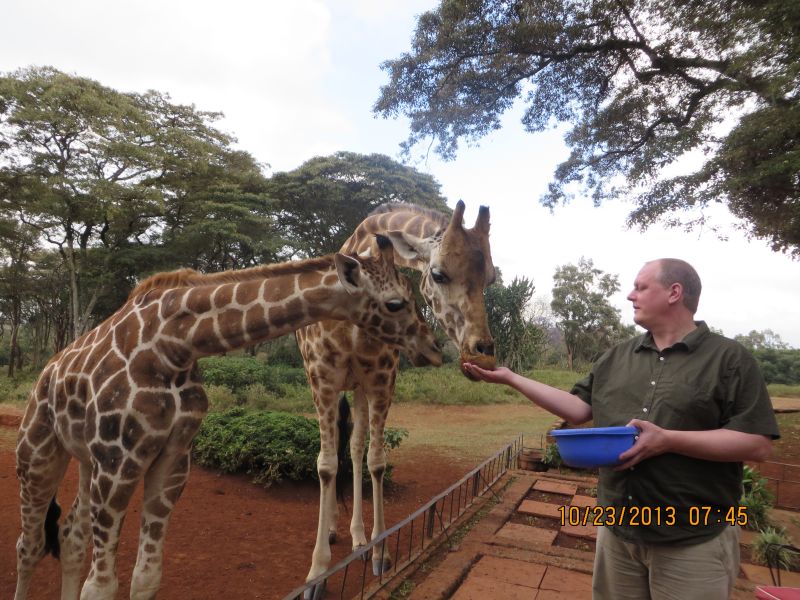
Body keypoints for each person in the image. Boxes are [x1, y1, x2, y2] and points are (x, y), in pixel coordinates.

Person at [464, 258, 779, 600]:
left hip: (694, 537)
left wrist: (668, 440)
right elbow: (579, 409)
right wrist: (511, 378)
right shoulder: (617, 356)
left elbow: (757, 444)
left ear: (674, 293)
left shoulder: (729, 359)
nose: (631, 295)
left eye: (641, 287)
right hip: (617, 532)